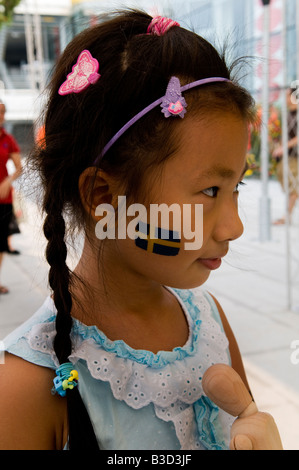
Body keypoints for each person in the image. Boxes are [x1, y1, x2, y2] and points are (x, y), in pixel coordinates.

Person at [0, 11, 282, 450]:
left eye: (236, 187)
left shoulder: (209, 321)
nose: (235, 226)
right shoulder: (29, 382)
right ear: (102, 196)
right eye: (209, 190)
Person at [0, 101, 22, 293]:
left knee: (0, 242)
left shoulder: (8, 139)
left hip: (3, 199)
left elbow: (19, 168)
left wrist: (8, 181)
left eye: (1, 113)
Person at [272, 88, 298, 224]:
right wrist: (279, 148)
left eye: (287, 95)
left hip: (296, 156)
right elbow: (285, 134)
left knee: (294, 186)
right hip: (287, 156)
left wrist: (283, 147)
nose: (285, 98)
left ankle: (286, 217)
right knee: (287, 182)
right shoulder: (288, 114)